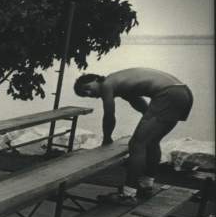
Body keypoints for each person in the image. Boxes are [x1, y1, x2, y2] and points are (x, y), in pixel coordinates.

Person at [74, 68, 193, 205]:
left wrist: (107, 138)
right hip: (183, 93)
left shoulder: (107, 83)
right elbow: (143, 107)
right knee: (152, 141)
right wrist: (148, 122)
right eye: (85, 94)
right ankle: (146, 185)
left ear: (96, 79)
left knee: (136, 145)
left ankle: (127, 195)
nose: (90, 93)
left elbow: (109, 114)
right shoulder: (124, 86)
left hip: (168, 94)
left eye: (87, 88)